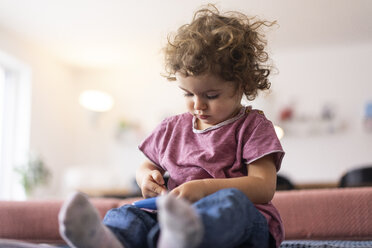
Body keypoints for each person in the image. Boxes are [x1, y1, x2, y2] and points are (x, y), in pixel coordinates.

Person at [58, 4, 285, 248]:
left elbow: (263, 187)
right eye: (188, 93)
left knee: (232, 203)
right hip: (170, 220)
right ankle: (110, 241)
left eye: (211, 95)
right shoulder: (171, 129)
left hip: (242, 224)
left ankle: (182, 238)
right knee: (127, 214)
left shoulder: (253, 126)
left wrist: (204, 189)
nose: (198, 105)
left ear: (241, 85)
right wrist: (147, 178)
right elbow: (146, 165)